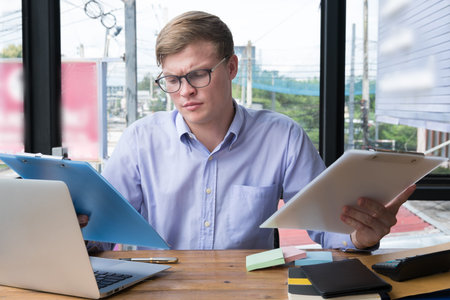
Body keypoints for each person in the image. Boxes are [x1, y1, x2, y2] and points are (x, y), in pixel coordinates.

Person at [80, 11, 416, 251]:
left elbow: (328, 227)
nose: (185, 91)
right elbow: (102, 235)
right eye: (172, 79)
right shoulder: (141, 140)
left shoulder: (282, 137)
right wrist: (75, 230)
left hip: (247, 289)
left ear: (232, 67)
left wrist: (360, 237)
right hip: (156, 289)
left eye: (198, 75)